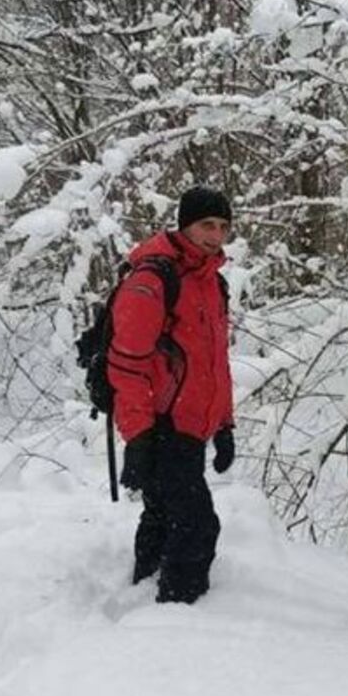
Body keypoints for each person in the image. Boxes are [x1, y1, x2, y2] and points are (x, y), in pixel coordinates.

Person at [107, 186, 236, 604]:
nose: (215, 235)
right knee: (197, 526)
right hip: (163, 424)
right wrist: (139, 436)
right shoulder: (153, 279)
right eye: (206, 225)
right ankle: (176, 616)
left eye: (222, 226)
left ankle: (144, 592)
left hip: (193, 424)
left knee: (163, 514)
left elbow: (216, 362)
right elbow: (127, 365)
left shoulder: (212, 282)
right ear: (185, 225)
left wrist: (225, 424)